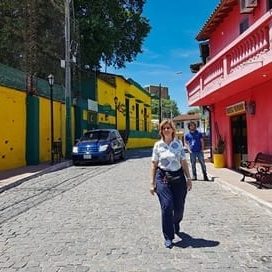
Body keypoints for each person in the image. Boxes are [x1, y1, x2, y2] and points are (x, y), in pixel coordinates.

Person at [150, 119, 192, 248]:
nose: (166, 130)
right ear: (161, 131)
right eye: (164, 128)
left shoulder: (178, 144)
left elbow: (183, 161)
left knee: (179, 208)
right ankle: (168, 236)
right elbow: (154, 164)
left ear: (173, 130)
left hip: (178, 176)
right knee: (167, 206)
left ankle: (176, 222)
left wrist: (188, 178)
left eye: (169, 128)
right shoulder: (158, 145)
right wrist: (152, 183)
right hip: (162, 177)